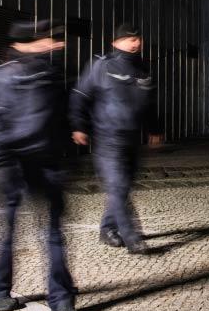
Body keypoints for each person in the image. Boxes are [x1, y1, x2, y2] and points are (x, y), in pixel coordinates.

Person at [0, 20, 77, 311]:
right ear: (24, 43)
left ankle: (62, 299)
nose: (54, 43)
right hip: (10, 164)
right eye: (47, 39)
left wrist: (67, 160)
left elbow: (61, 119)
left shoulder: (52, 74)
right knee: (8, 232)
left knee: (53, 232)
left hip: (46, 164)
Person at [70, 23, 163, 253]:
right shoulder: (102, 65)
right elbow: (80, 96)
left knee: (122, 187)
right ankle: (133, 238)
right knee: (118, 185)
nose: (136, 42)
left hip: (132, 139)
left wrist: (154, 128)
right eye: (130, 39)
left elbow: (149, 104)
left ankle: (107, 229)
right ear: (116, 42)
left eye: (138, 38)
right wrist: (79, 125)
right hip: (107, 138)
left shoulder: (143, 69)